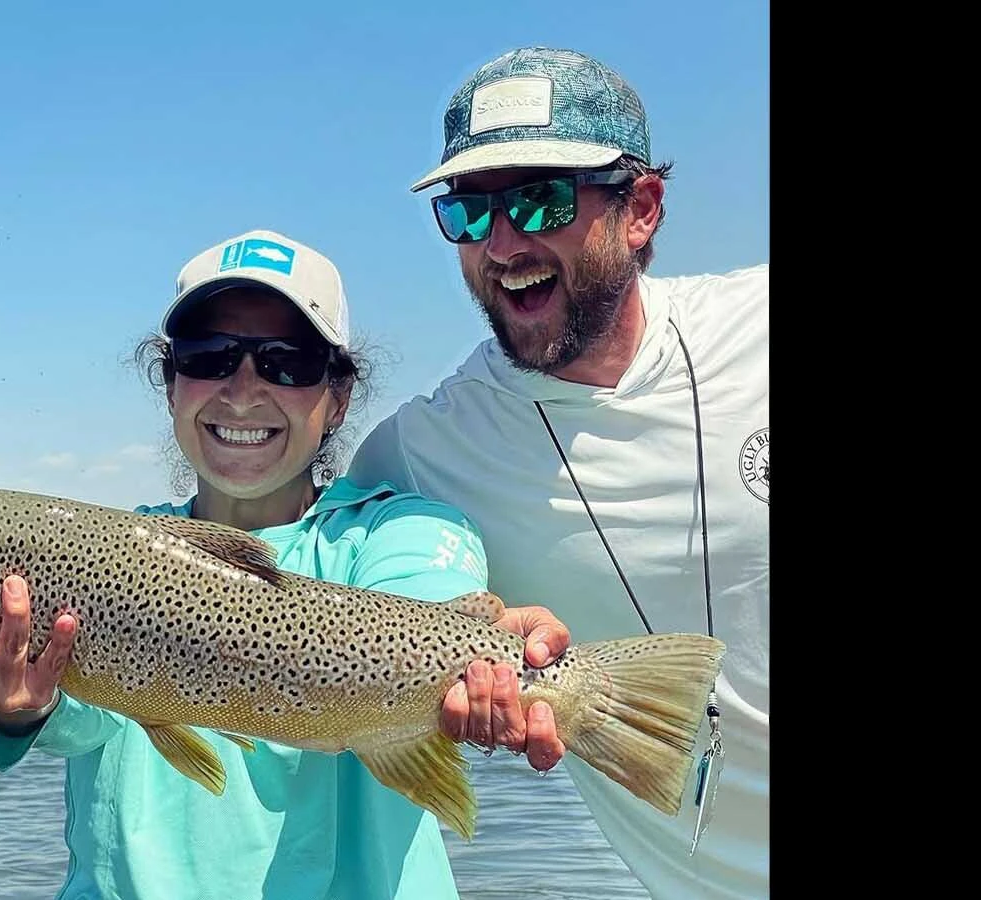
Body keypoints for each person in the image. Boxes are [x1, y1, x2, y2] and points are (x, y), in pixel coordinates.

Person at [0, 228, 570, 900]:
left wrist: (488, 660)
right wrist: (22, 708)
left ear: (338, 398)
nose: (242, 389)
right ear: (172, 386)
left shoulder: (402, 530)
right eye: (210, 357)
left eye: (287, 362)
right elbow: (91, 721)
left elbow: (427, 603)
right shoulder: (114, 553)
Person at [346, 47, 768, 899]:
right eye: (469, 212)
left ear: (641, 209)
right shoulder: (415, 456)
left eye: (540, 199)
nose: (503, 244)